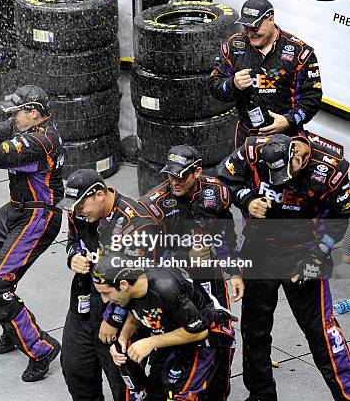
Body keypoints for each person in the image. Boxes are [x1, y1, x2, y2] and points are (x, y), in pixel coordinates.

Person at [217, 134, 350, 400]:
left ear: (298, 157)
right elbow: (221, 180)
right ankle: (261, 395)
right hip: (259, 250)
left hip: (305, 254)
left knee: (321, 333)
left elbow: (341, 217)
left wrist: (318, 254)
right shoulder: (252, 150)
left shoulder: (333, 168)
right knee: (254, 330)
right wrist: (246, 199)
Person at [0, 84, 63, 382]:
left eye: (17, 112)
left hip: (38, 216)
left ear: (34, 113)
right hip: (16, 209)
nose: (12, 117)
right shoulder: (27, 123)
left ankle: (40, 347)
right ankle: (12, 326)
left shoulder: (42, 140)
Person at [139, 145, 243, 401]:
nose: (174, 181)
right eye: (170, 175)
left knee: (222, 338)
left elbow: (225, 235)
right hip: (172, 283)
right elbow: (149, 260)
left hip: (210, 276)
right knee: (177, 340)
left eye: (181, 176)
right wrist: (185, 256)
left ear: (196, 172)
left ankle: (218, 395)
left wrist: (235, 272)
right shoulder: (155, 205)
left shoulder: (216, 191)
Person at [57, 169, 155, 401]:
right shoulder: (79, 213)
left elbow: (140, 282)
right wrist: (73, 256)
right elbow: (73, 240)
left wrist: (114, 319)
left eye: (81, 205)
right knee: (75, 370)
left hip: (122, 312)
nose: (76, 211)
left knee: (125, 383)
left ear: (99, 194)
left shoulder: (137, 223)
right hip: (82, 306)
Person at [92, 251, 233, 401]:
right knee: (155, 393)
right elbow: (136, 314)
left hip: (204, 340)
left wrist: (150, 342)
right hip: (172, 335)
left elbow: (199, 331)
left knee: (181, 397)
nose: (105, 300)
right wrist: (122, 338)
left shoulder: (166, 288)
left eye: (106, 293)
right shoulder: (131, 290)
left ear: (123, 284)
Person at [209, 0, 322, 147]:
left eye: (255, 27)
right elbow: (214, 85)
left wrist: (289, 120)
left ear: (271, 19)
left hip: (287, 135)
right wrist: (232, 84)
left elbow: (312, 97)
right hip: (247, 134)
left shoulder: (300, 52)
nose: (250, 33)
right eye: (246, 27)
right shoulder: (233, 46)